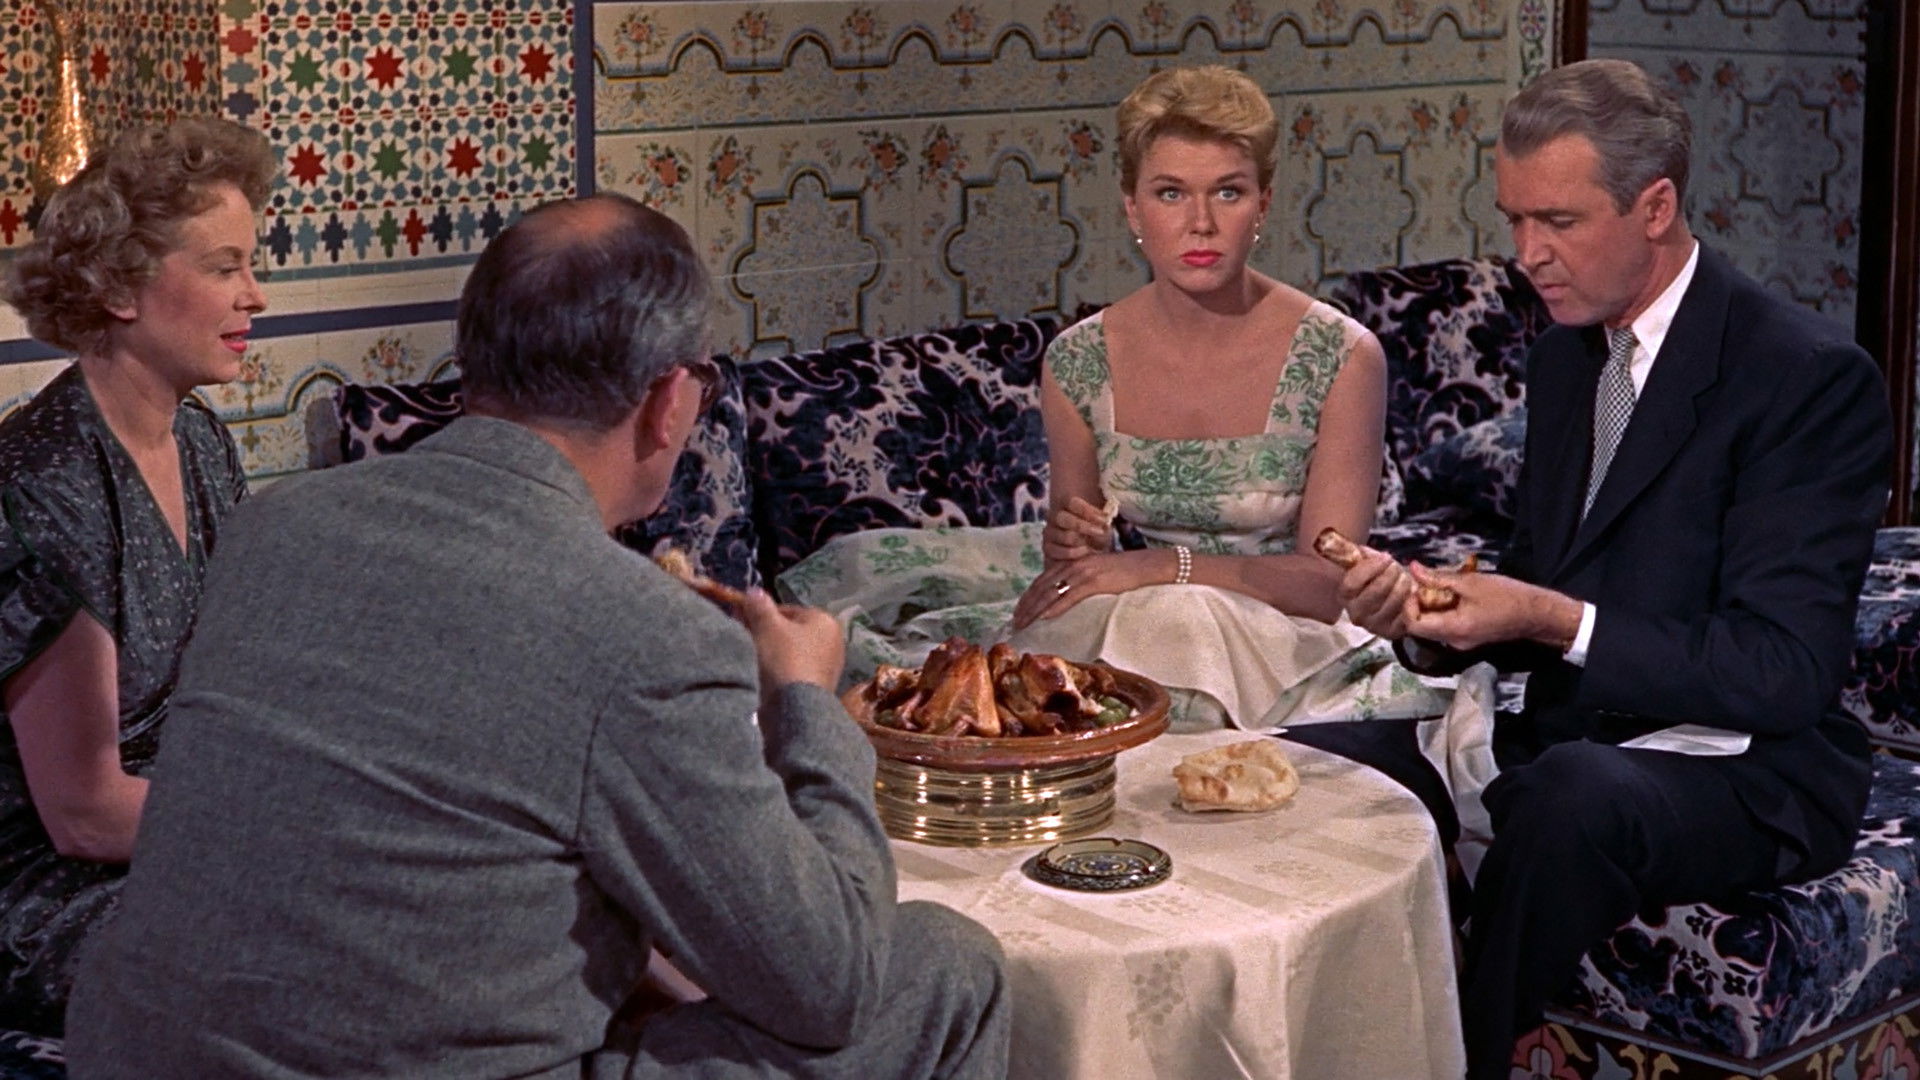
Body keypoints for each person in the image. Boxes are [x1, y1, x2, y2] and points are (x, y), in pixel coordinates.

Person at [65, 195, 1011, 1079]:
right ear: (669, 401)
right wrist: (808, 700)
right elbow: (831, 987)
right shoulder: (649, 634)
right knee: (942, 965)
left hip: (138, 1058)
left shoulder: (273, 528)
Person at [1336, 59, 1892, 1078]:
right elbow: (1537, 581)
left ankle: (1460, 1062)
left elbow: (1783, 671)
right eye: (1514, 220)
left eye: (1558, 221)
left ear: (1656, 207)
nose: (1527, 255)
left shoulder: (1805, 378)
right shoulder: (1566, 356)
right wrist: (1424, 617)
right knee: (1327, 763)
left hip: (1750, 766)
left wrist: (1551, 619)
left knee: (1571, 797)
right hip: (1576, 731)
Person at [1007, 64, 1444, 729]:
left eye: (1228, 193)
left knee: (1182, 624)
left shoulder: (1340, 355)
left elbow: (1326, 584)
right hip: (1139, 627)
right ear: (1132, 208)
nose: (1201, 224)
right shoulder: (1077, 362)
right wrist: (1074, 547)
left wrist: (1166, 567)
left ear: (1263, 204)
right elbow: (1080, 565)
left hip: (1284, 641)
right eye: (1171, 193)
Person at [0, 116, 273, 1034]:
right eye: (225, 267)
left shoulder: (201, 442)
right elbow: (85, 812)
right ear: (119, 287)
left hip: (183, 829)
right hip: (53, 892)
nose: (256, 295)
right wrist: (281, 824)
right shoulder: (43, 484)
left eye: (251, 265)